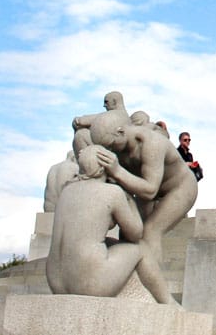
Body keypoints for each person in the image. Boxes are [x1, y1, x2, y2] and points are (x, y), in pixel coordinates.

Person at [89, 109, 198, 304]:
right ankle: (130, 285)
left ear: (121, 132)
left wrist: (116, 171)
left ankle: (157, 297)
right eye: (106, 148)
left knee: (150, 232)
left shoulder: (151, 144)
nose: (111, 151)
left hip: (180, 187)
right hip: (145, 189)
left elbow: (149, 189)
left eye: (111, 145)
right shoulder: (118, 148)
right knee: (129, 233)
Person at [46, 145, 164, 300]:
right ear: (103, 169)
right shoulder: (112, 192)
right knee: (141, 248)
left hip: (55, 282)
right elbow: (135, 234)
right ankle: (167, 301)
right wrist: (129, 199)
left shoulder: (66, 192)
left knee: (106, 242)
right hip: (91, 283)